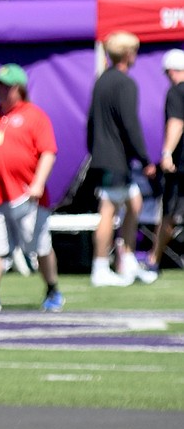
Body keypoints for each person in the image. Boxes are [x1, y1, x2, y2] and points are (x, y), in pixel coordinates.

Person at [0, 64, 63, 313]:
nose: (0, 90)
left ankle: (52, 289)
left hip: (27, 196)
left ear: (19, 88)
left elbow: (48, 152)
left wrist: (38, 183)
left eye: (6, 86)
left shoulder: (34, 116)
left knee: (39, 246)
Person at [87, 32, 157, 287]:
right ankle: (100, 267)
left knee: (134, 202)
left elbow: (91, 122)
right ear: (128, 54)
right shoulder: (125, 83)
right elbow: (131, 125)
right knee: (108, 210)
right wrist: (145, 157)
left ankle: (126, 260)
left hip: (107, 157)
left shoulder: (101, 81)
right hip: (114, 159)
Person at [148, 49, 184, 276]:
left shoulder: (176, 92)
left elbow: (176, 123)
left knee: (168, 214)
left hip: (179, 166)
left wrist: (166, 152)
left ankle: (153, 260)